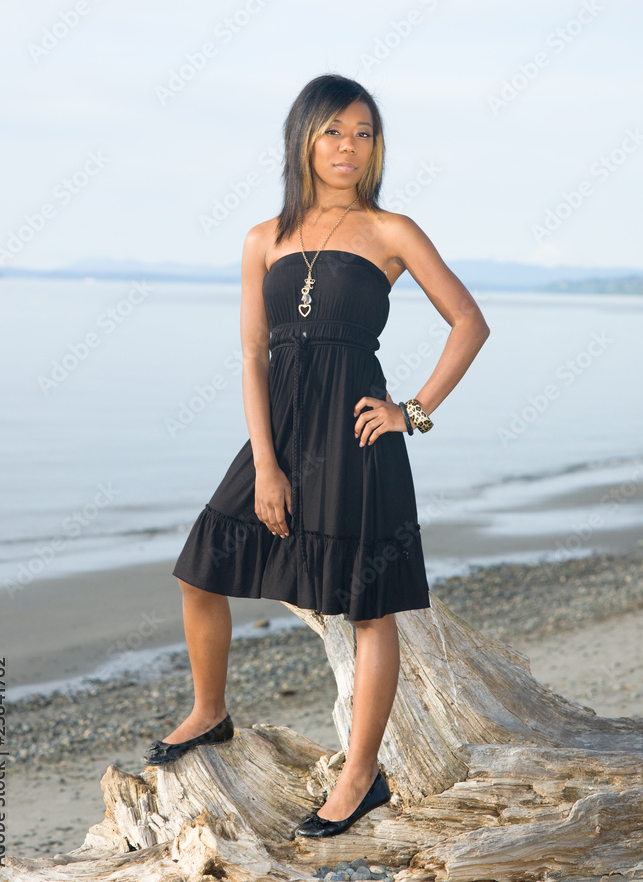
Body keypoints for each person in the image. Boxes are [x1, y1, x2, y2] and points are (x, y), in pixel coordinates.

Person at [141, 73, 490, 839]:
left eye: (363, 133)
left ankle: (361, 776)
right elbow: (252, 355)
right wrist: (265, 464)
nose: (348, 147)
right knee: (200, 568)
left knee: (368, 607)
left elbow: (468, 321)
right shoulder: (262, 238)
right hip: (283, 434)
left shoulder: (392, 230)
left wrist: (412, 412)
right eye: (334, 130)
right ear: (303, 138)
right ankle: (210, 710)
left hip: (359, 435)